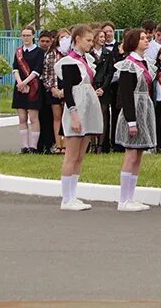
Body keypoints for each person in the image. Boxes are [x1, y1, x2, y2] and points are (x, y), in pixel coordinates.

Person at [57, 24, 105, 211]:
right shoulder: (70, 61)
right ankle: (66, 198)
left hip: (87, 106)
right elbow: (68, 92)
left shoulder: (87, 59)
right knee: (71, 155)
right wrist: (74, 116)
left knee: (79, 156)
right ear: (77, 40)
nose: (90, 44)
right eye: (88, 40)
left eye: (92, 40)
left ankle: (73, 195)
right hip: (76, 108)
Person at [113, 29, 157, 212]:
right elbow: (125, 94)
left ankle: (131, 196)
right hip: (133, 112)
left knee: (138, 155)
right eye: (142, 38)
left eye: (147, 38)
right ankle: (123, 199)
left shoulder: (146, 62)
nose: (146, 40)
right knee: (131, 155)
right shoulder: (128, 65)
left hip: (144, 108)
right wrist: (131, 121)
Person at [12, 27, 44, 153]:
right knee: (22, 117)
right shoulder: (19, 52)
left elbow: (37, 69)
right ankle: (24, 146)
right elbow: (15, 68)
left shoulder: (39, 51)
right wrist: (20, 82)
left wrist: (25, 82)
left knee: (33, 117)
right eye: (23, 35)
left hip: (33, 87)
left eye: (28, 35)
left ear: (33, 36)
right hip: (20, 87)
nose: (25, 37)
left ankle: (33, 146)